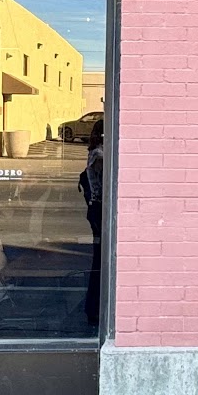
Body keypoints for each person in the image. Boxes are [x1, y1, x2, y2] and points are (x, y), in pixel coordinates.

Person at [79, 123, 105, 325]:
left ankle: (94, 307)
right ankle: (94, 308)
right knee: (101, 261)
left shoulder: (95, 154)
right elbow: (105, 186)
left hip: (96, 210)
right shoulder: (100, 157)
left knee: (100, 260)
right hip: (100, 211)